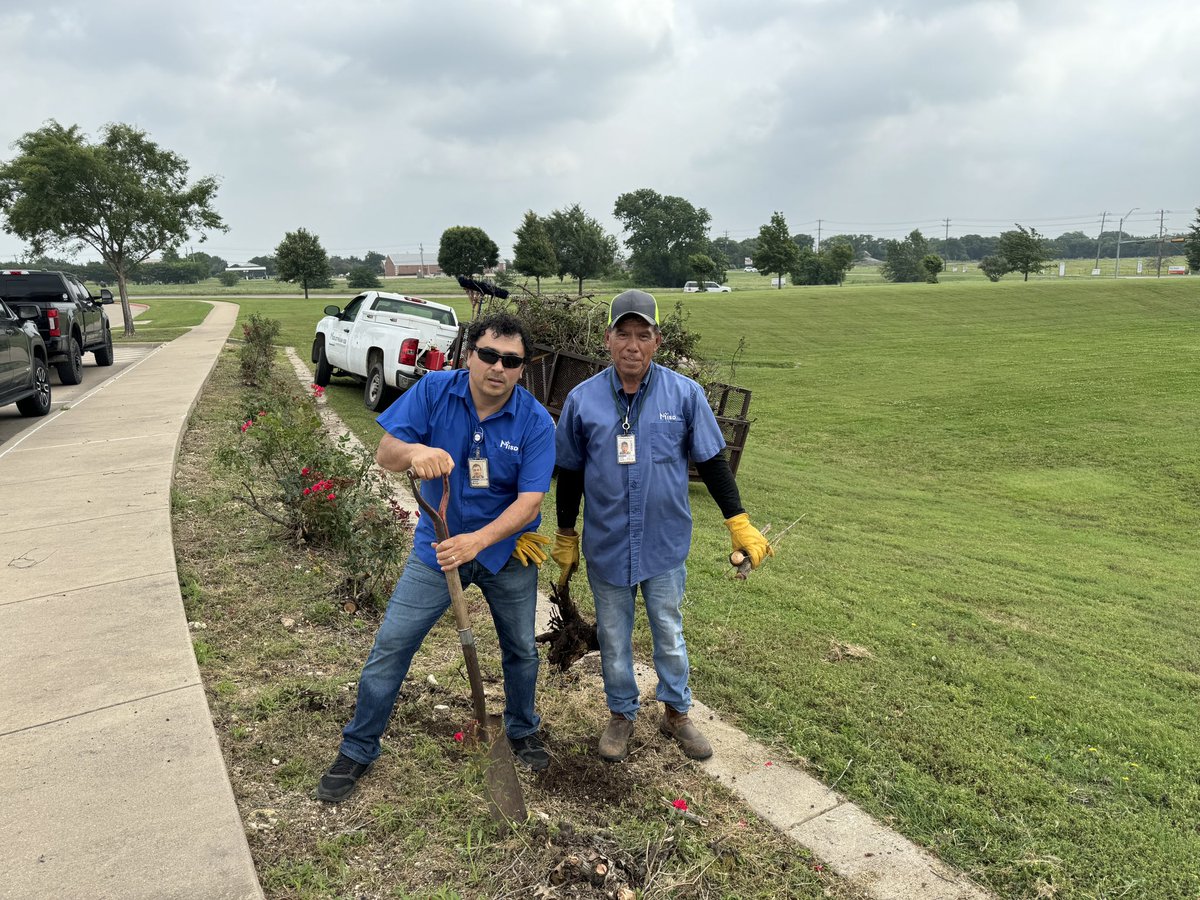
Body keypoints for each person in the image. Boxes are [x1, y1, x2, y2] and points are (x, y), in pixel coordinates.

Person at [315, 312, 555, 803]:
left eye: (510, 361)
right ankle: (359, 747)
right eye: (487, 355)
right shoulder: (434, 392)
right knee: (393, 645)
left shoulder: (535, 421)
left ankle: (522, 727)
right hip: (436, 547)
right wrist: (416, 451)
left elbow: (529, 503)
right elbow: (386, 452)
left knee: (521, 651)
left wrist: (477, 542)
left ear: (522, 368)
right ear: (470, 355)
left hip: (506, 551)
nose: (497, 367)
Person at [552, 290, 773, 763]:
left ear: (657, 341)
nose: (632, 345)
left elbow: (713, 463)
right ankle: (621, 714)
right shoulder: (581, 400)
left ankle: (676, 713)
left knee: (668, 629)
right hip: (607, 544)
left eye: (643, 335)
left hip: (664, 543)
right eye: (623, 334)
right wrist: (566, 532)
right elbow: (569, 472)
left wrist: (738, 521)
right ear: (608, 339)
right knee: (613, 635)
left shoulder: (685, 395)